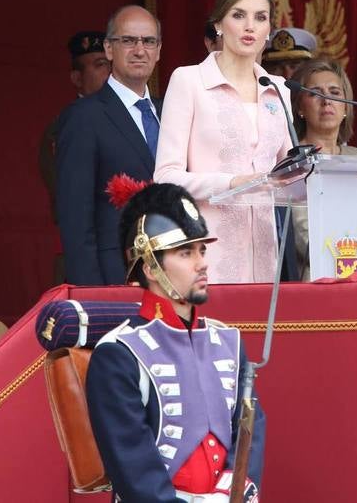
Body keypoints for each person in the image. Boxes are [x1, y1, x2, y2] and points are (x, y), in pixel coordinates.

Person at [86, 182, 264, 503]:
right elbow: (136, 475)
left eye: (202, 250)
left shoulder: (228, 341)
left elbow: (251, 435)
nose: (202, 263)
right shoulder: (118, 354)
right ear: (151, 267)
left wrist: (229, 496)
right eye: (186, 253)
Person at [154, 0, 292, 283]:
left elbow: (289, 174)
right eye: (238, 15)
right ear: (218, 24)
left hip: (266, 258)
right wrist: (232, 183)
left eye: (260, 18)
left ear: (269, 29)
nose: (249, 27)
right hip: (207, 253)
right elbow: (165, 177)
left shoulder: (279, 89)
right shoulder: (188, 81)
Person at [56, 5, 162, 285]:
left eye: (148, 41)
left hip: (171, 278)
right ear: (109, 49)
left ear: (159, 50)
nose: (140, 50)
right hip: (114, 276)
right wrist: (93, 296)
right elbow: (75, 220)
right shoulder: (83, 117)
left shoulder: (171, 113)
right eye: (128, 40)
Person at [38, 30, 110, 283]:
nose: (109, 72)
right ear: (77, 78)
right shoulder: (67, 125)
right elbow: (70, 197)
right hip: (86, 253)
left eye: (110, 64)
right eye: (100, 65)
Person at [290, 57, 357, 280]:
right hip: (313, 277)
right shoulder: (291, 160)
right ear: (300, 108)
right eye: (315, 93)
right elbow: (302, 235)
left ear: (346, 106)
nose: (326, 101)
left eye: (334, 92)